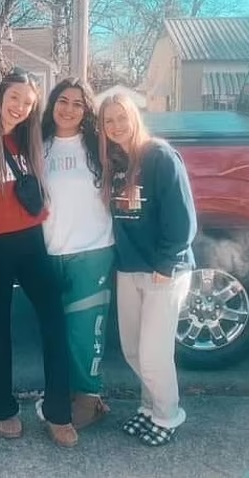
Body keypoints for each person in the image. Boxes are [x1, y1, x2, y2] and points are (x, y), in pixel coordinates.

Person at [0, 68, 78, 448]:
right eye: (14, 97)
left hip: (31, 243)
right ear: (1, 96)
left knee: (54, 320)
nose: (19, 106)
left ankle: (58, 410)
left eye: (28, 102)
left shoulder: (32, 142)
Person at [98, 94, 197, 446]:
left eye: (121, 117)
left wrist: (168, 263)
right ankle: (149, 406)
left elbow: (183, 218)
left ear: (135, 117)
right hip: (129, 268)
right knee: (133, 350)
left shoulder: (159, 156)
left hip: (163, 270)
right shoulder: (114, 163)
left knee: (154, 354)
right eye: (108, 121)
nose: (116, 126)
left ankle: (168, 415)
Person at [39, 77, 115, 430]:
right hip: (49, 251)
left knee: (85, 331)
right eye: (63, 101)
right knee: (57, 331)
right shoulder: (38, 146)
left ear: (86, 111)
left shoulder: (100, 147)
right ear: (52, 104)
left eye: (78, 103)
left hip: (92, 249)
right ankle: (65, 392)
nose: (69, 109)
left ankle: (89, 396)